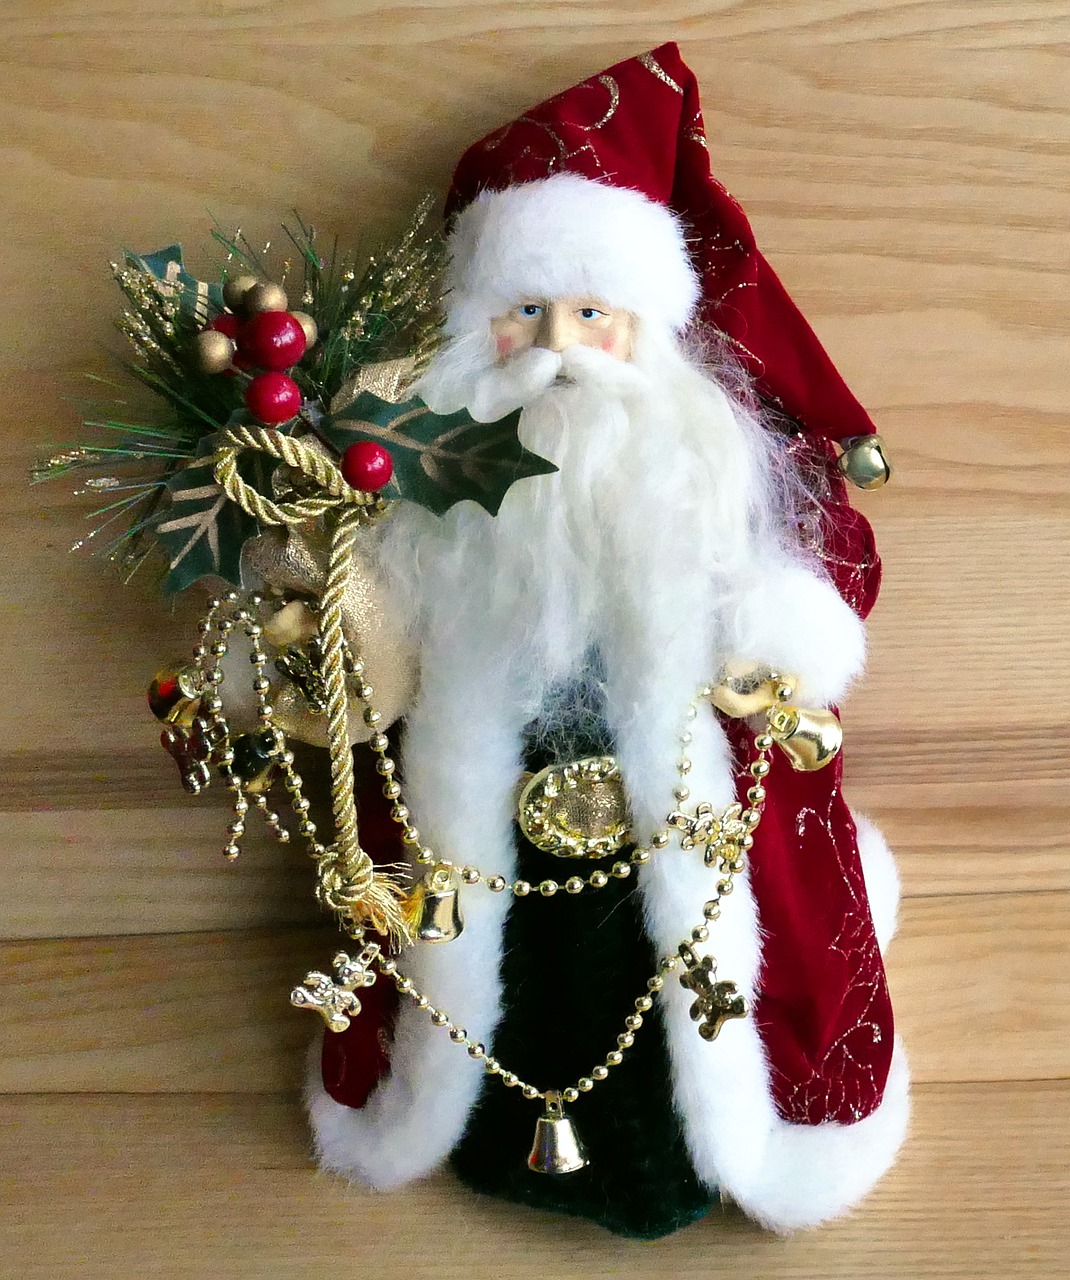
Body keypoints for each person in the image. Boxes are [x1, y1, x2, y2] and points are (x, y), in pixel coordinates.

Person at [301, 50, 907, 1237]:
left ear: (645, 330)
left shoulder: (702, 470)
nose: (560, 346)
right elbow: (370, 641)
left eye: (591, 314)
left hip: (673, 809)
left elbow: (799, 596)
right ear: (476, 332)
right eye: (526, 312)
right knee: (488, 965)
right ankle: (474, 1119)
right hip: (491, 828)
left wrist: (775, 643)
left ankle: (709, 1138)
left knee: (703, 960)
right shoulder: (425, 498)